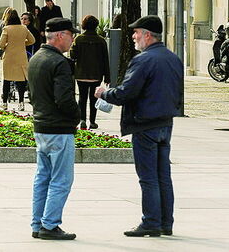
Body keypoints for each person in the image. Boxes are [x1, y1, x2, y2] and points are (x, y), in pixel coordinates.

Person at [96, 15, 182, 238]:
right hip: (165, 123)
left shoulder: (143, 60)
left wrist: (103, 93)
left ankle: (151, 222)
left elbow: (126, 92)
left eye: (136, 32)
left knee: (148, 177)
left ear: (147, 35)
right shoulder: (173, 58)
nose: (133, 37)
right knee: (163, 175)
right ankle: (165, 222)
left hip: (145, 125)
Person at [28, 16, 81, 241]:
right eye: (71, 35)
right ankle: (49, 225)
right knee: (61, 179)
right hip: (58, 128)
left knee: (43, 177)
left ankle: (37, 222)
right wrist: (77, 116)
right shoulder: (59, 63)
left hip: (41, 125)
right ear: (60, 36)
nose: (73, 40)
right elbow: (64, 99)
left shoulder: (36, 58)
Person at [71, 15, 110, 130]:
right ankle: (92, 121)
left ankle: (82, 119)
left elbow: (73, 56)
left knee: (82, 98)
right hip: (96, 74)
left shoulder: (78, 39)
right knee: (94, 98)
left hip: (81, 74)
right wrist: (107, 77)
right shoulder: (101, 41)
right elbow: (105, 60)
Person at [0, 9, 35, 111]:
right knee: (21, 80)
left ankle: (5, 103)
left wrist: (8, 45)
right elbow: (32, 40)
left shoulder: (7, 29)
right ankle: (21, 103)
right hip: (21, 57)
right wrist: (22, 44)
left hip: (9, 57)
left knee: (7, 79)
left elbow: (0, 44)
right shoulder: (24, 28)